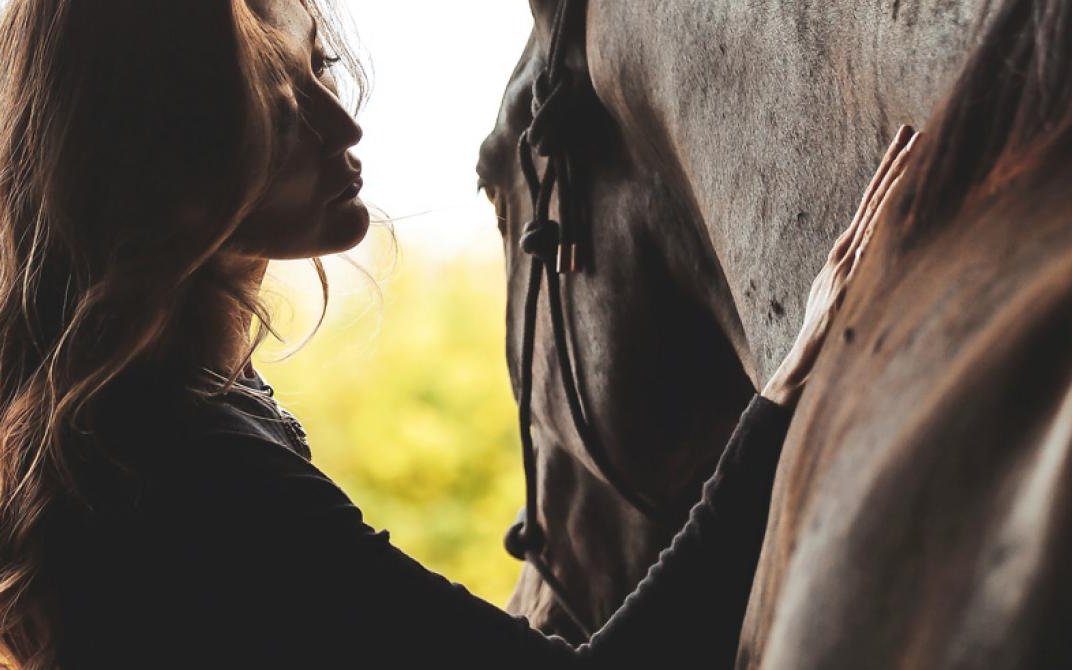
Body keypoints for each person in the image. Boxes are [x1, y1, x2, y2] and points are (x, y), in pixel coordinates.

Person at [0, 0, 916, 668]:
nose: (342, 125)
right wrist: (787, 396)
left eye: (317, 71)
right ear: (167, 163)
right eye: (274, 112)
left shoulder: (157, 416)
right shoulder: (185, 469)